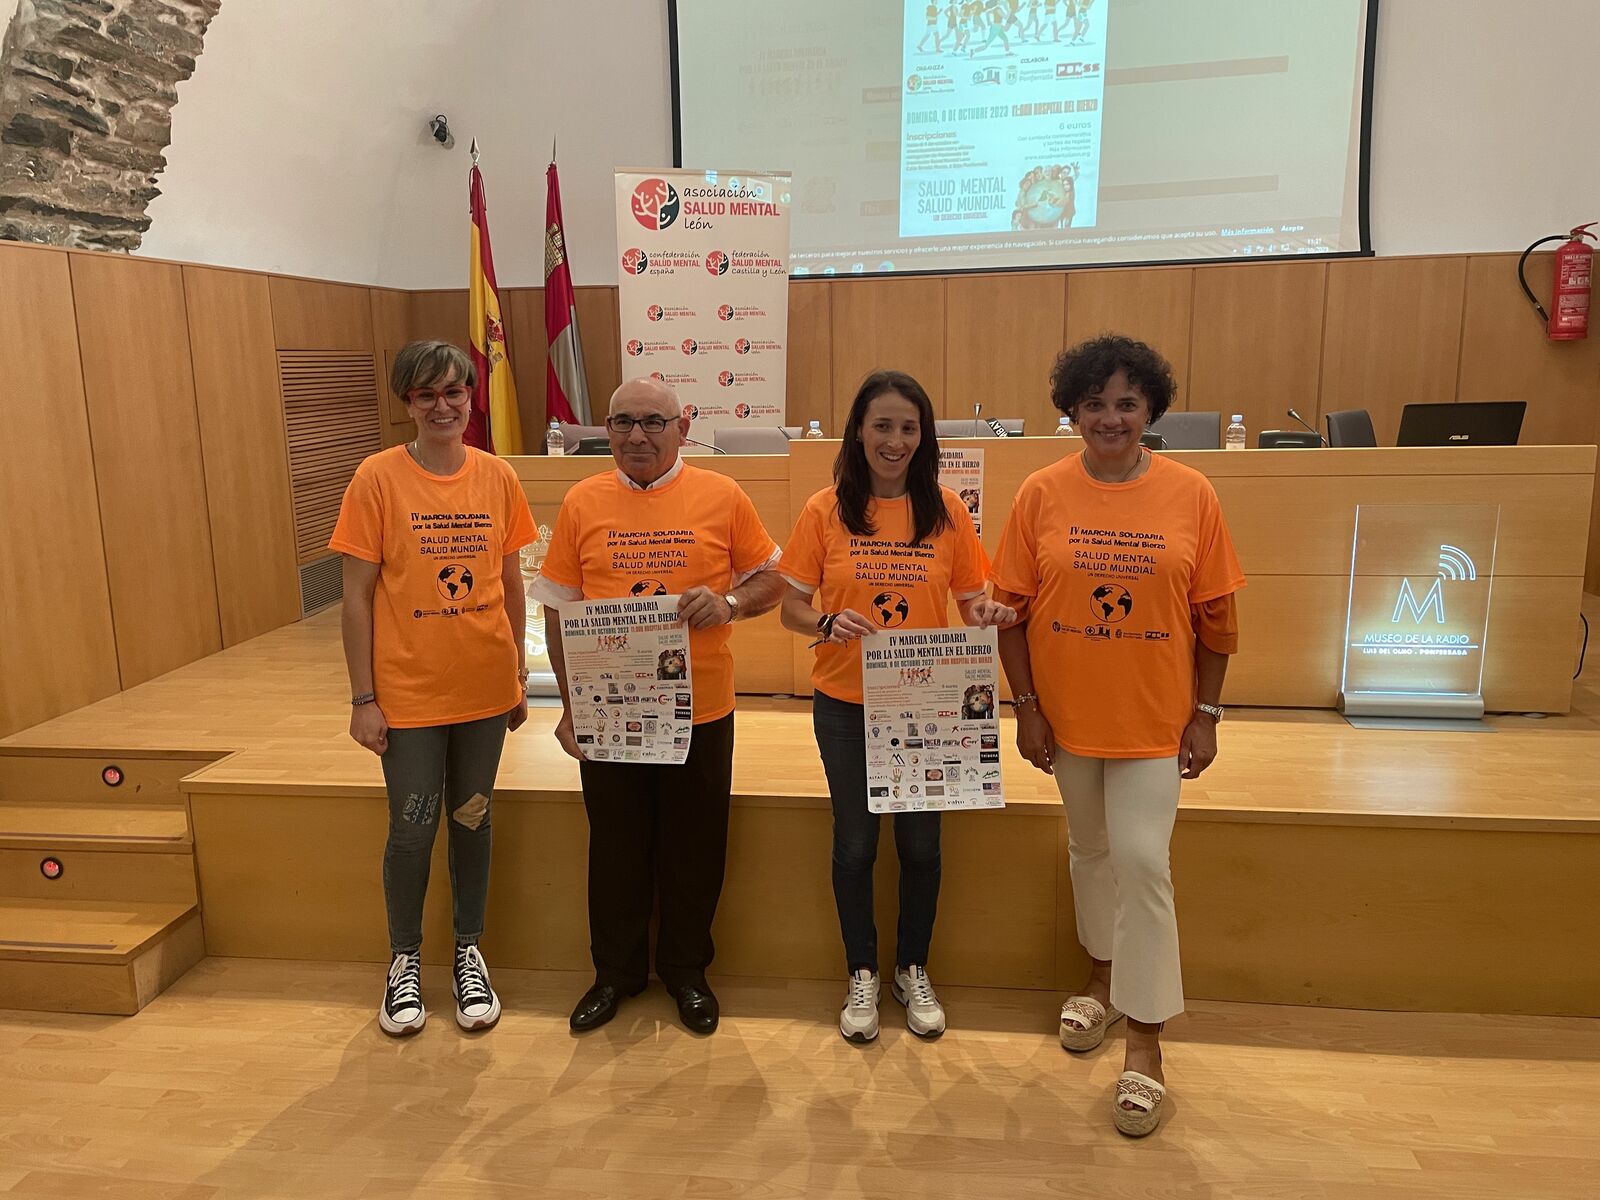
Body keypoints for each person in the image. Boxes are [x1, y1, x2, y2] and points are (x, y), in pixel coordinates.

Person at [991, 334, 1244, 1136]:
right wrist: (1026, 703)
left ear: (1150, 411)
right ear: (1071, 409)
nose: (1109, 417)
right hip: (1066, 719)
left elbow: (1218, 618)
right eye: (1094, 403)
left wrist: (1206, 714)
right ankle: (1101, 980)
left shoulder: (1191, 493)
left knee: (1141, 862)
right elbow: (1013, 611)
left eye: (1126, 403)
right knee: (1090, 852)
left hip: (1153, 722)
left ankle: (1145, 1040)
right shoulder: (1039, 492)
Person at [532, 378, 786, 1035]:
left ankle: (685, 972)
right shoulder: (584, 500)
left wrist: (728, 603)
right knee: (615, 849)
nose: (637, 436)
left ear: (683, 425)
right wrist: (567, 705)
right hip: (610, 709)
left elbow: (771, 578)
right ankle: (614, 974)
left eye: (652, 422)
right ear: (606, 429)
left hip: (701, 710)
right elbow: (558, 608)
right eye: (622, 423)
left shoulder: (722, 494)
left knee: (694, 850)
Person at [778, 370, 1014, 1044]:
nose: (895, 439)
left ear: (924, 436)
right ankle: (862, 972)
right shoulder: (825, 509)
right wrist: (825, 623)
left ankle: (913, 967)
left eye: (908, 427)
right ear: (859, 430)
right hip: (847, 704)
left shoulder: (945, 510)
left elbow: (972, 605)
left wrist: (989, 613)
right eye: (882, 425)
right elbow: (792, 606)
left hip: (926, 707)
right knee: (854, 844)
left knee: (921, 845)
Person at [330, 340, 537, 1037]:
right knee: (414, 827)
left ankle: (469, 950)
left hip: (483, 690)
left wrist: (515, 677)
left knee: (472, 818)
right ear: (407, 404)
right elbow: (355, 597)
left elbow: (511, 584)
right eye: (427, 395)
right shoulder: (377, 478)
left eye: (454, 392)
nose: (443, 405)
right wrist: (364, 699)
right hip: (410, 696)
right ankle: (404, 960)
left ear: (471, 397)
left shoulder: (498, 477)